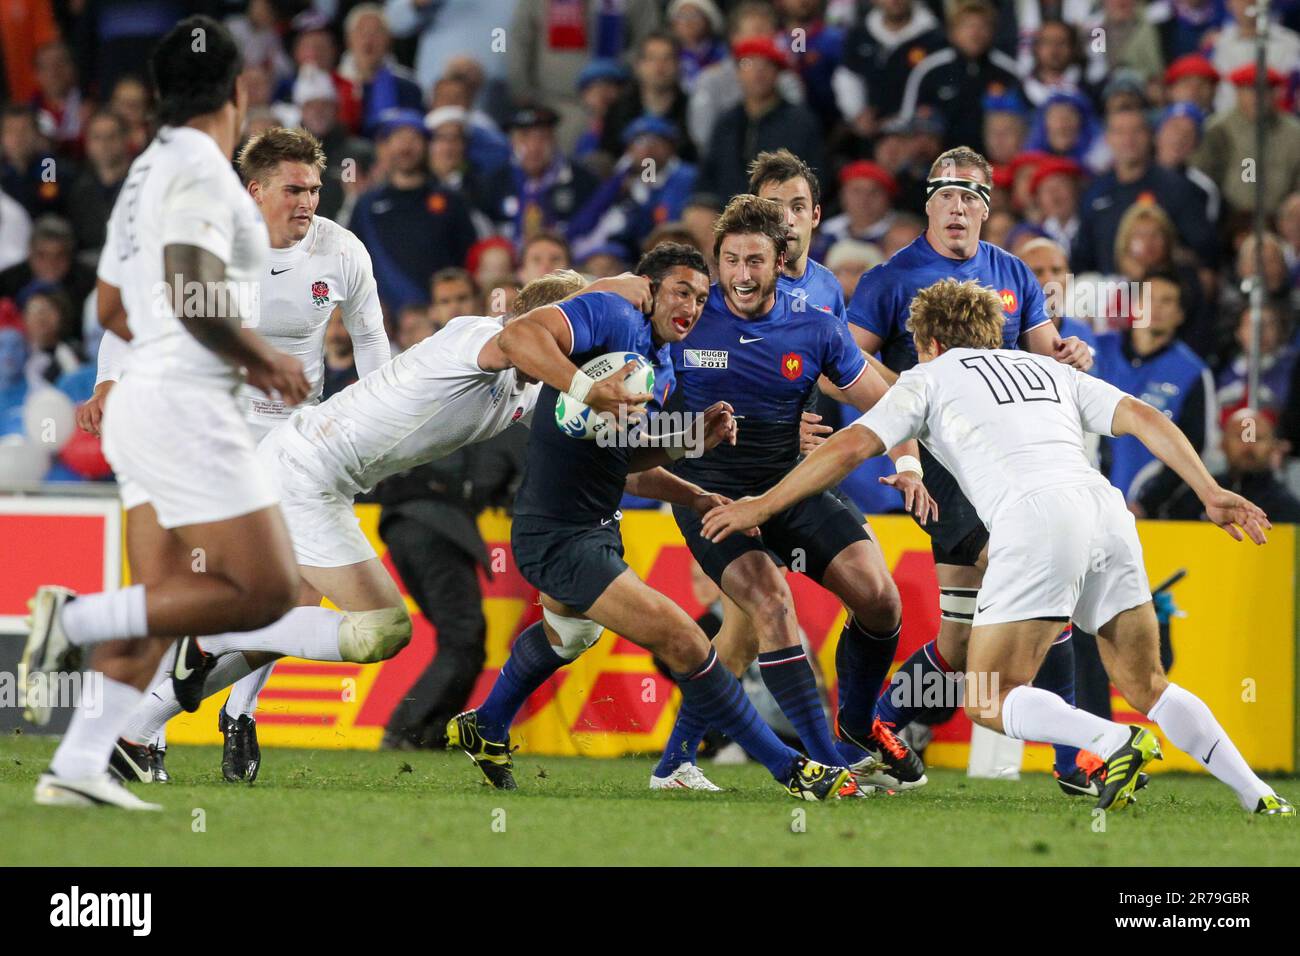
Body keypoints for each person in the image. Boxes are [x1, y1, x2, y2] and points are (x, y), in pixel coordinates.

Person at [701, 277, 1294, 817]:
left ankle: (1110, 739)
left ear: (928, 341)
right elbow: (1142, 415)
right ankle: (1258, 795)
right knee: (1147, 683)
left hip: (1036, 521)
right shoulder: (1052, 371)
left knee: (988, 696)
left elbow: (851, 445)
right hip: (1106, 513)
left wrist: (762, 504)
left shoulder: (927, 377)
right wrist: (1210, 491)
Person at [106, 270, 654, 783]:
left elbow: (600, 460)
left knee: (285, 630)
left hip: (321, 481)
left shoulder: (528, 391)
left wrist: (685, 457)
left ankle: (135, 732)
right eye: (573, 336)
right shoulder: (479, 335)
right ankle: (214, 635)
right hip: (303, 469)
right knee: (381, 630)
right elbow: (518, 342)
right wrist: (614, 291)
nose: (582, 348)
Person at [448, 243, 862, 801]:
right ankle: (790, 768)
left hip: (598, 526)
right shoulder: (614, 314)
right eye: (680, 291)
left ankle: (487, 723)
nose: (692, 305)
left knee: (567, 636)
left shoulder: (663, 369)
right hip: (556, 535)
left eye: (700, 295)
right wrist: (587, 388)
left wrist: (693, 456)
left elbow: (629, 464)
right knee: (686, 640)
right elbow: (517, 337)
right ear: (648, 289)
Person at [20, 16, 311, 810]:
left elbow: (110, 301)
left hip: (141, 400)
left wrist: (156, 353)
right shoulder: (209, 177)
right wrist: (260, 357)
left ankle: (77, 768)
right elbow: (189, 286)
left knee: (161, 602)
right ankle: (75, 618)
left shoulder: (145, 170)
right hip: (187, 404)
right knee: (266, 589)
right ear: (239, 91)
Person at [651, 164, 935, 792]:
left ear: (781, 262)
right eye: (730, 261)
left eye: (756, 260)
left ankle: (849, 728)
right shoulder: (684, 316)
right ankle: (826, 766)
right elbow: (629, 351)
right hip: (712, 497)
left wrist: (910, 462)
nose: (742, 275)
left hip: (790, 488)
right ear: (716, 262)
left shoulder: (818, 326)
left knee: (879, 598)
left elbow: (888, 407)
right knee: (770, 607)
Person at [846, 145, 1103, 793]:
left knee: (959, 645)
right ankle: (1075, 762)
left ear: (988, 209)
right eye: (946, 194)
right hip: (941, 466)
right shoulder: (890, 277)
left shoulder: (1014, 272)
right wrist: (908, 415)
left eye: (972, 196)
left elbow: (1046, 356)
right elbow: (842, 360)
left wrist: (1072, 353)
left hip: (1005, 462)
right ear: (928, 204)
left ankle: (879, 727)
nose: (958, 206)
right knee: (1038, 579)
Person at [1094, 274, 1217, 518]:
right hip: (1088, 501)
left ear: (1180, 314)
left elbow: (1195, 446)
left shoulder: (1192, 372)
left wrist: (1145, 504)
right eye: (1148, 298)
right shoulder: (1096, 350)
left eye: (1167, 301)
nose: (1156, 308)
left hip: (1153, 516)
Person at [1162, 408, 1300, 523]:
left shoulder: (1288, 508)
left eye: (1258, 438)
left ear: (1273, 446)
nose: (1248, 446)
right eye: (1240, 436)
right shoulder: (1197, 496)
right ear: (1222, 444)